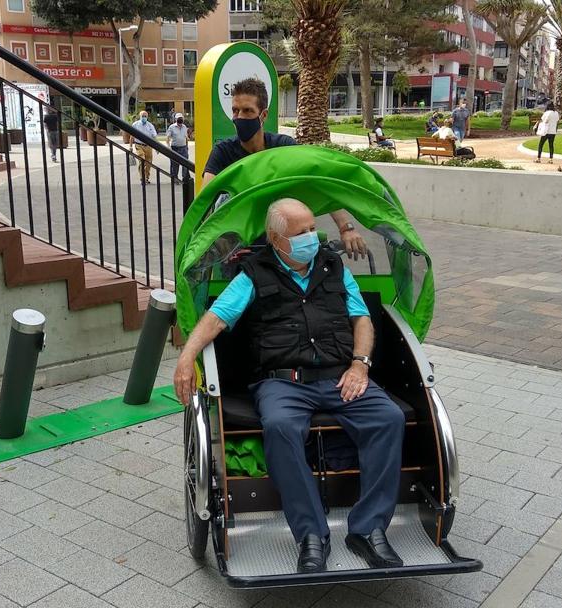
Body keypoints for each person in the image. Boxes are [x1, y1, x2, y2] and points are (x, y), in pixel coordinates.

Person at [173, 199, 407, 574]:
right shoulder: (252, 274)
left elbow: (362, 319)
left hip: (339, 375)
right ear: (276, 239)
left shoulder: (334, 268)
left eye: (314, 228)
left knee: (388, 417)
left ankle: (368, 529)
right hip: (283, 383)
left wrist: (360, 366)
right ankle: (311, 535)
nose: (313, 238)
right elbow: (216, 319)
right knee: (281, 427)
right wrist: (186, 358)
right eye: (302, 233)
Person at [204, 77, 367, 259]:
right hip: (241, 249)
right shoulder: (222, 152)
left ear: (263, 115)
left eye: (248, 111)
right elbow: (205, 200)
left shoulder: (284, 147)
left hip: (286, 246)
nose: (239, 117)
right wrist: (218, 242)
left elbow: (318, 183)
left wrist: (346, 227)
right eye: (235, 111)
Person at [132, 110, 158, 185]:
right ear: (140, 117)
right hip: (139, 145)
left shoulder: (150, 125)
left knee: (148, 163)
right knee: (142, 160)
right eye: (142, 116)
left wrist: (157, 147)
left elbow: (154, 137)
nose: (144, 117)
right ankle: (142, 178)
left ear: (147, 117)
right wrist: (130, 146)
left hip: (148, 146)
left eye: (145, 116)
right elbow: (132, 136)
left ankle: (146, 178)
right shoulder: (135, 124)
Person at [166, 112, 191, 182]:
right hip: (175, 148)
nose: (180, 120)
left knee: (185, 164)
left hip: (183, 148)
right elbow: (167, 138)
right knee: (175, 164)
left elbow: (186, 138)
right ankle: (175, 178)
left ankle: (185, 178)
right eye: (179, 119)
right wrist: (168, 147)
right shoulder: (171, 127)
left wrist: (187, 146)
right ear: (176, 119)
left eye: (181, 118)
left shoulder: (184, 127)